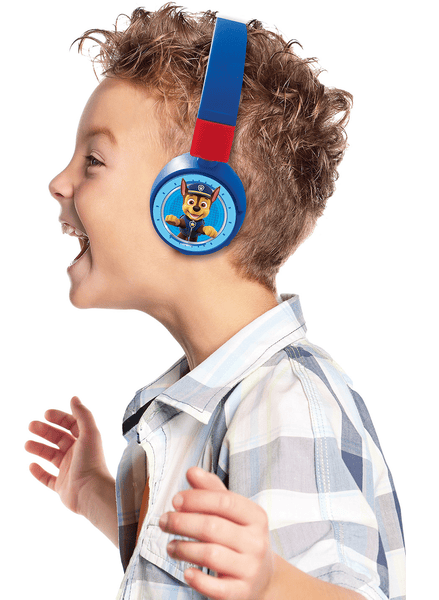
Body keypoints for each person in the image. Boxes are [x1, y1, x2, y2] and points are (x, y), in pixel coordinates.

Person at [24, 5, 406, 599]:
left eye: (93, 161)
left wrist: (273, 582)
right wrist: (94, 494)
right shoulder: (213, 400)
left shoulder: (284, 403)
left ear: (195, 204)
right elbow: (192, 567)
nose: (59, 182)